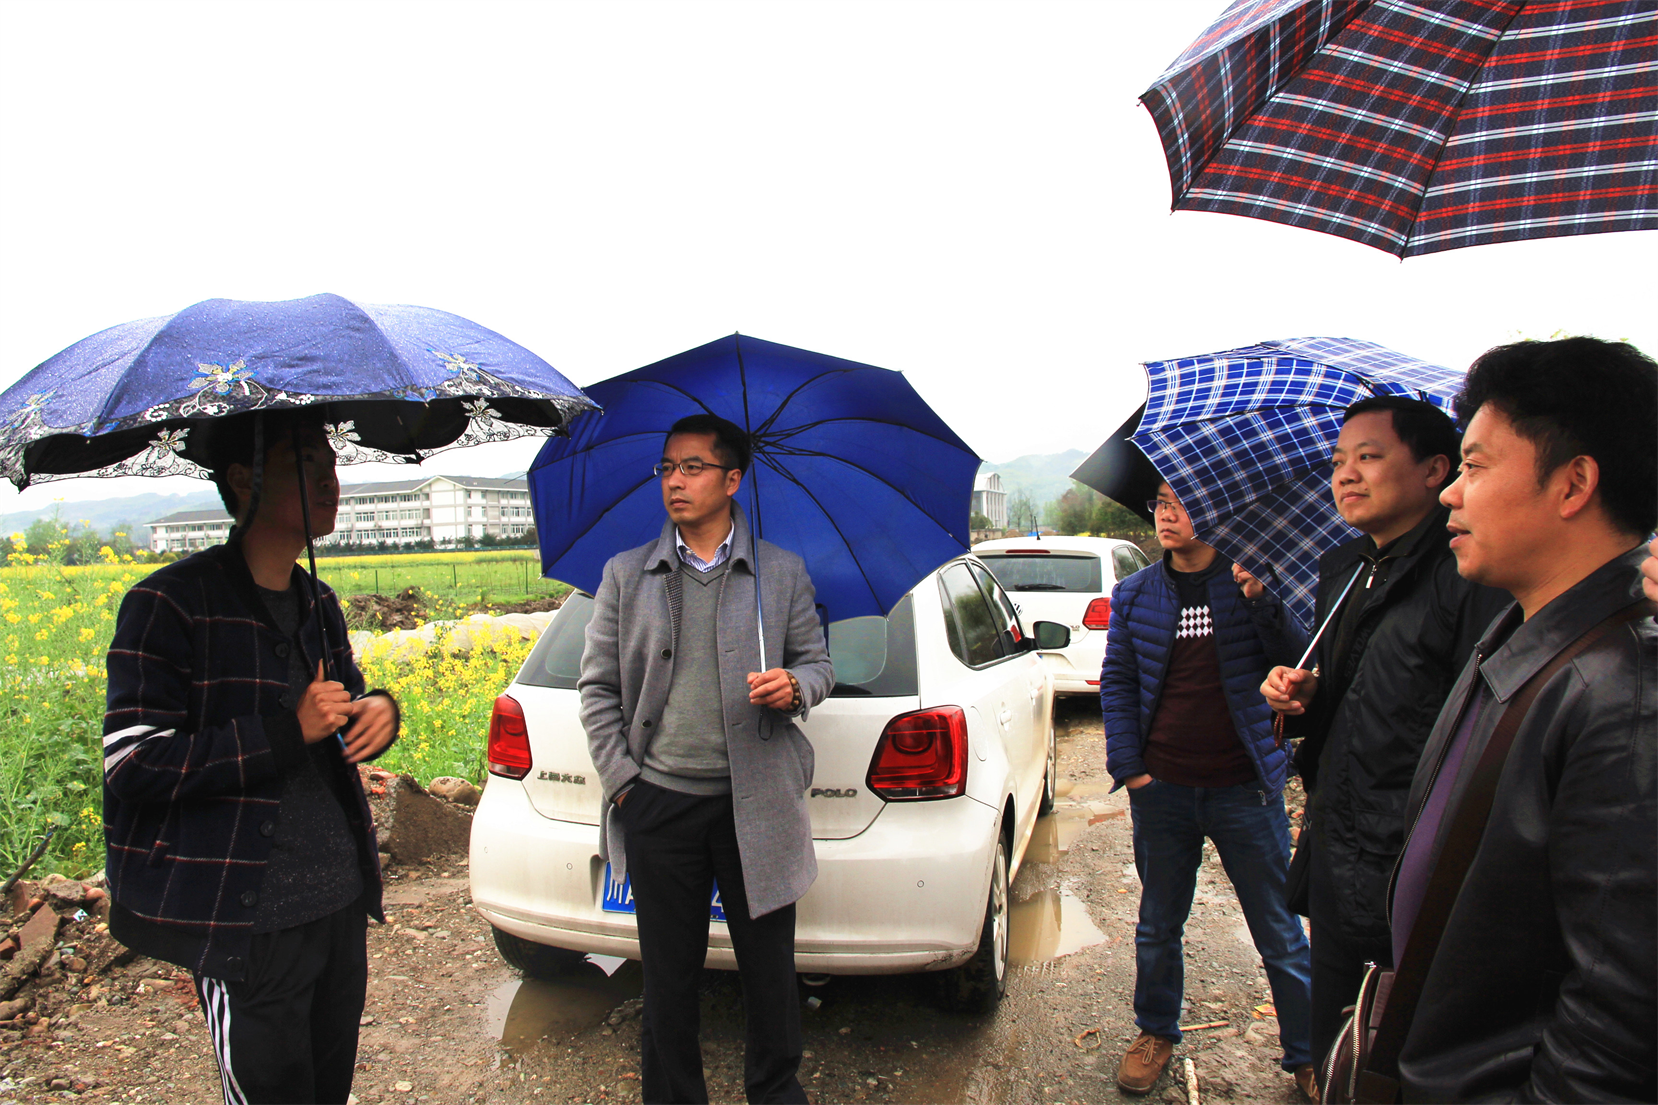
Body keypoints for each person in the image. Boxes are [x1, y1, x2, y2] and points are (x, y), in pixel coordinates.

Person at [1387, 336, 1658, 1101]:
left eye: (1474, 466)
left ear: (1573, 483)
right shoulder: (1520, 635)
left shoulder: (1625, 695)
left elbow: (1618, 1020)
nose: (1451, 493)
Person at [102, 410, 398, 1105]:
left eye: (331, 460)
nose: (330, 478)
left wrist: (377, 711)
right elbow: (132, 762)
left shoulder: (316, 601)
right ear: (243, 478)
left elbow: (341, 704)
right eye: (306, 460)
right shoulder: (168, 604)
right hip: (246, 917)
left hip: (336, 899)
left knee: (327, 1089)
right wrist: (286, 732)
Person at [580, 413, 834, 1105]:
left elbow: (818, 664)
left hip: (758, 806)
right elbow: (596, 689)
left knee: (770, 974)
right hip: (659, 804)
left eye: (693, 467)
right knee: (668, 982)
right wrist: (625, 785)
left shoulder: (779, 573)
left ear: (732, 479)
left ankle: (775, 1092)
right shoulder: (627, 575)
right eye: (667, 467)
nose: (675, 480)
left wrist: (795, 687)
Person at [1259, 396, 1508, 1078]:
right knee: (1338, 1041)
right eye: (1339, 461)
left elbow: (1472, 730)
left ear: (1435, 470)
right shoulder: (1347, 568)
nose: (1346, 474)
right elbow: (1355, 696)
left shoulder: (1468, 576)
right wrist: (1304, 699)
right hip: (1338, 848)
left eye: (1369, 457)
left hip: (1411, 868)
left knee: (1391, 1053)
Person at [1102, 482, 1314, 1099]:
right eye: (1160, 503)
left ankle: (1308, 1053)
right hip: (1162, 789)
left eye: (1181, 501)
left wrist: (1263, 601)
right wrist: (1131, 768)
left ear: (1216, 508)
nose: (1167, 514)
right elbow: (1118, 680)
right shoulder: (1135, 592)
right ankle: (1155, 1032)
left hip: (1245, 789)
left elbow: (1298, 664)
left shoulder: (1252, 582)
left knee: (1279, 931)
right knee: (1157, 924)